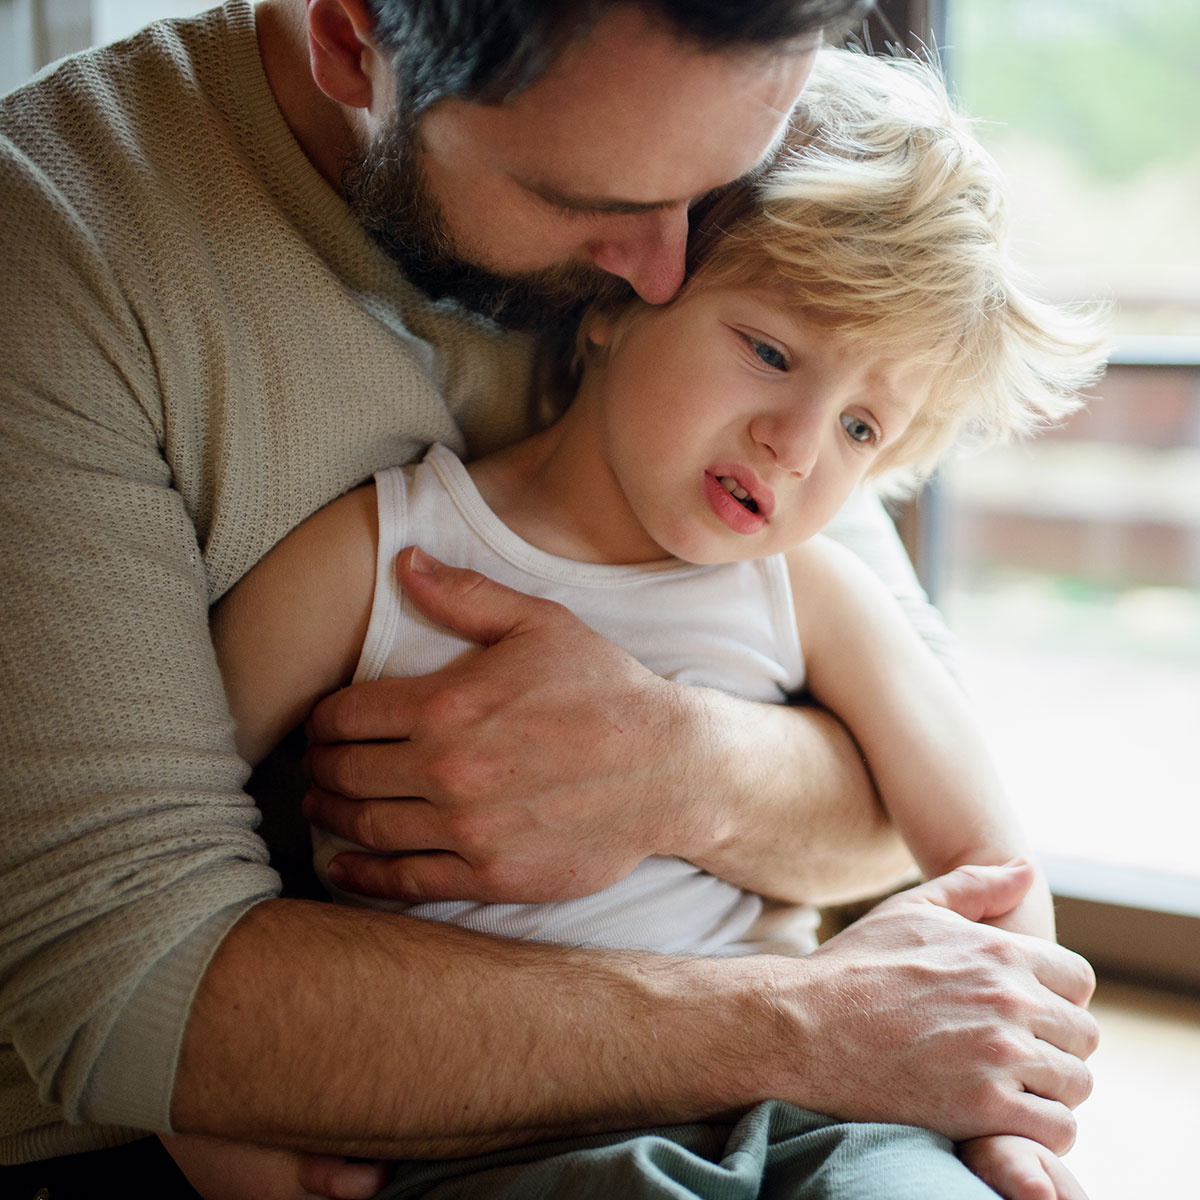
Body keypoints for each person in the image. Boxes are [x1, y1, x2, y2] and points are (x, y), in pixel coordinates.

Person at [0, 2, 1098, 1197]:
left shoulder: (739, 281)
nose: (671, 258)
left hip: (814, 1115)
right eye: (602, 208)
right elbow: (141, 981)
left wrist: (678, 768)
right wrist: (801, 1023)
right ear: (353, 38)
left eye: (714, 188)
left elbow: (920, 836)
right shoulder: (60, 249)